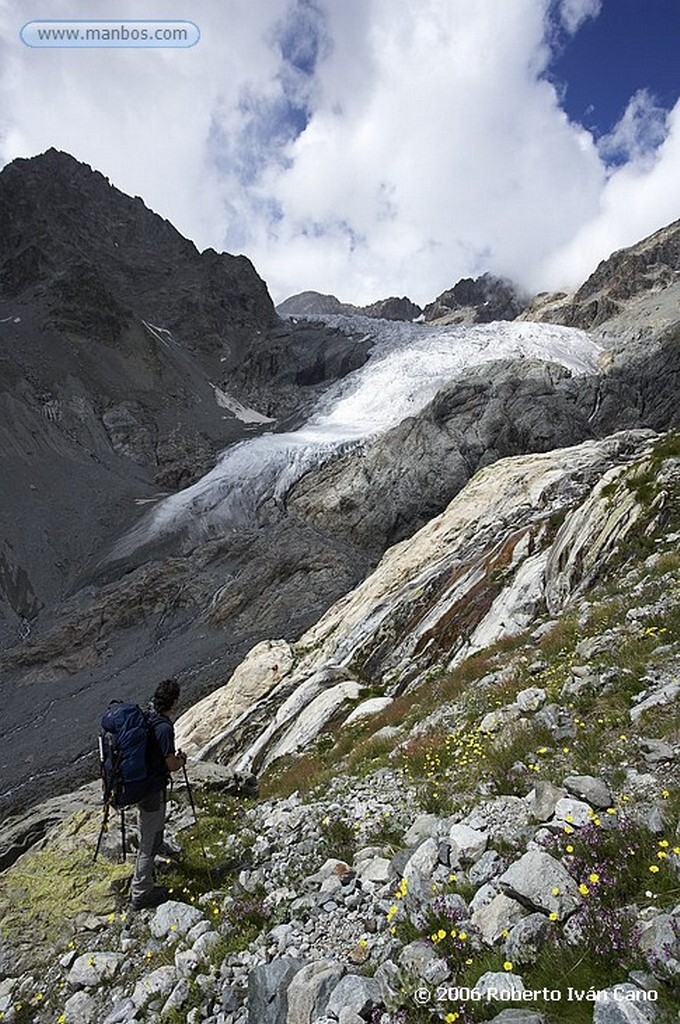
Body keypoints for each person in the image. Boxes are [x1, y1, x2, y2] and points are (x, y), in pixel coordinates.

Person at [130, 677, 187, 910]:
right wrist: (181, 760)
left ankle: (159, 847)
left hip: (143, 785)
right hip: (151, 788)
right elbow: (170, 764)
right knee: (147, 840)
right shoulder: (164, 727)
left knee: (152, 828)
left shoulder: (147, 716)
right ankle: (141, 891)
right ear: (173, 702)